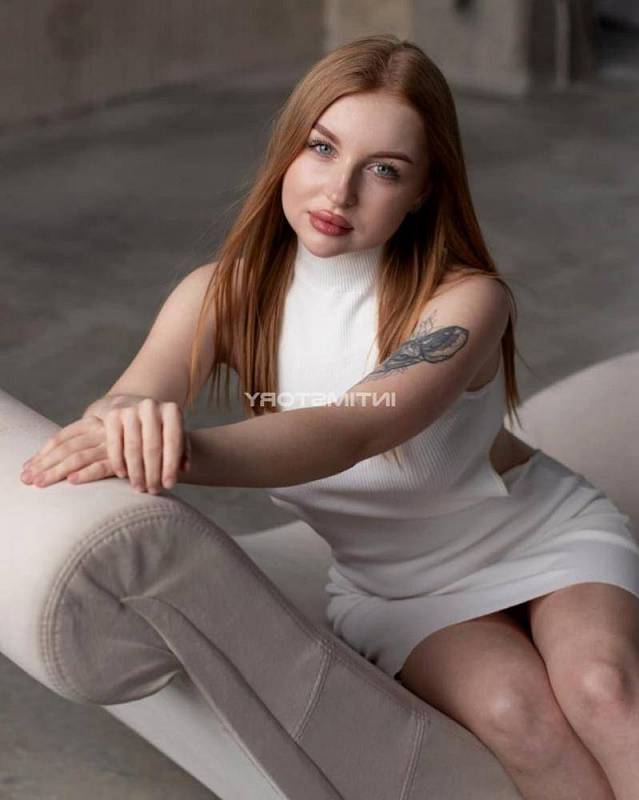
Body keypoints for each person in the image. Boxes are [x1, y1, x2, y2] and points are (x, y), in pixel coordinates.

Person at [19, 34, 639, 799]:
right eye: (322, 148)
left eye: (383, 169)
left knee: (601, 686)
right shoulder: (221, 294)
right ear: (289, 149)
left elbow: (355, 428)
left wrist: (176, 451)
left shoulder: (464, 301)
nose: (338, 192)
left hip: (541, 535)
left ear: (423, 190)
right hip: (395, 588)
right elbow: (134, 393)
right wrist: (122, 418)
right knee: (519, 716)